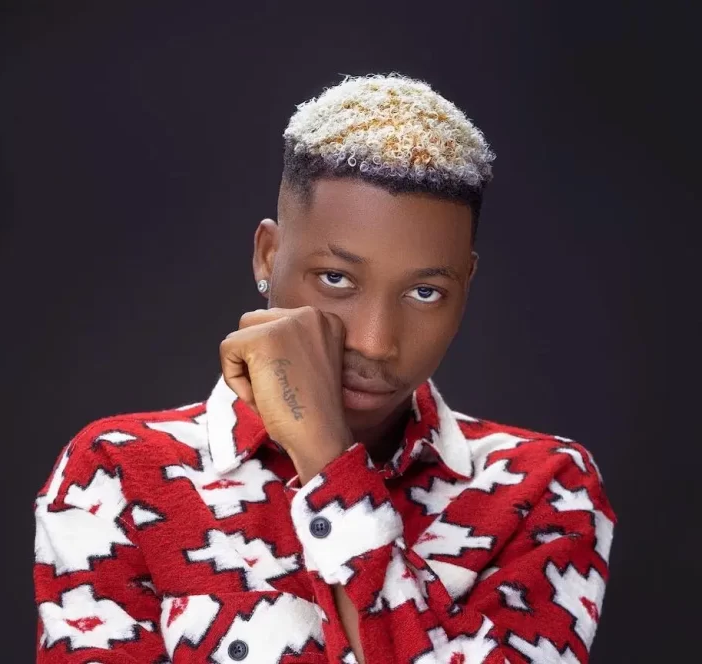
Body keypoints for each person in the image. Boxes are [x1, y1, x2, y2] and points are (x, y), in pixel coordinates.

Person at [34, 73, 616, 663]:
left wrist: (327, 459)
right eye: (336, 279)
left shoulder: (540, 492)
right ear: (268, 256)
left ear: (466, 286)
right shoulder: (119, 475)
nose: (375, 343)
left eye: (424, 293)